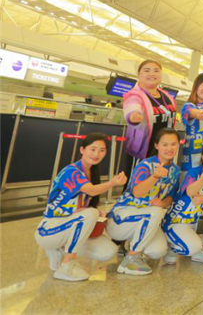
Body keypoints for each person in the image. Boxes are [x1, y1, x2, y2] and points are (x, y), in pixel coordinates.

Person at [35, 134, 125, 281]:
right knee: (91, 213)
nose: (96, 154)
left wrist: (99, 213)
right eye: (93, 149)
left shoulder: (92, 173)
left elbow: (84, 203)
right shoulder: (72, 171)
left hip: (68, 226)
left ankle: (61, 249)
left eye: (102, 150)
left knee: (107, 251)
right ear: (82, 150)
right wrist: (112, 183)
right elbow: (91, 191)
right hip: (49, 230)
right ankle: (66, 264)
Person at [107, 128, 181, 275]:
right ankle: (131, 258)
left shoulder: (175, 170)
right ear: (156, 145)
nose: (169, 148)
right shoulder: (145, 165)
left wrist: (162, 203)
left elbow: (171, 196)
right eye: (165, 144)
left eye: (173, 144)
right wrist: (154, 177)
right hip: (122, 218)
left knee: (158, 251)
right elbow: (137, 193)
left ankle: (129, 243)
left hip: (146, 218)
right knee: (155, 212)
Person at [163, 140, 203, 265]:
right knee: (191, 248)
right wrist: (202, 180)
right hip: (180, 221)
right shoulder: (195, 172)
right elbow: (189, 192)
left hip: (198, 220)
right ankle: (172, 247)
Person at [121, 60, 177, 179]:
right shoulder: (135, 95)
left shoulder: (166, 96)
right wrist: (133, 115)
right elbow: (132, 106)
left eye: (156, 71)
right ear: (139, 74)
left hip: (163, 152)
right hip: (143, 150)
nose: (152, 74)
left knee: (159, 183)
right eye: (147, 70)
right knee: (137, 182)